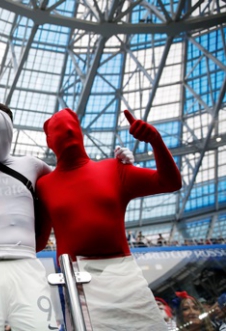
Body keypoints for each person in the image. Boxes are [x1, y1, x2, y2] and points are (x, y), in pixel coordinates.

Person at [0, 103, 133, 330]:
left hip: (24, 261)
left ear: (12, 132)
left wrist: (118, 165)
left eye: (2, 129)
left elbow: (71, 180)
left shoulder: (31, 165)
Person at [36, 108, 182, 331]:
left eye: (70, 126)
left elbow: (170, 182)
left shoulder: (115, 169)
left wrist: (155, 140)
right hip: (79, 283)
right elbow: (38, 242)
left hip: (126, 278)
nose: (66, 130)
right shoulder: (44, 186)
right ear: (49, 141)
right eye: (59, 129)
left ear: (80, 132)